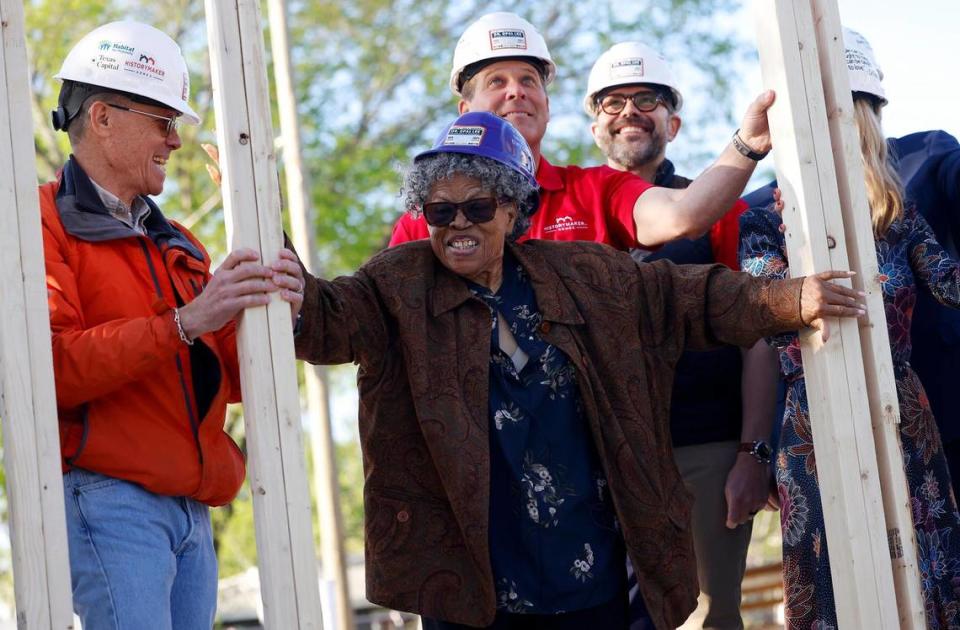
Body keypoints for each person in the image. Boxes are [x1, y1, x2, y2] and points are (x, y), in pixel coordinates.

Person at [289, 110, 864, 629]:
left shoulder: (583, 273)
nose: (457, 223)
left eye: (478, 207)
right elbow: (325, 318)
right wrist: (265, 220)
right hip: (466, 584)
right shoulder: (396, 283)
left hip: (587, 573)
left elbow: (690, 298)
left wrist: (791, 299)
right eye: (440, 210)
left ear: (513, 208)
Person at [43, 22, 302, 628]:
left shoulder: (176, 242)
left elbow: (228, 379)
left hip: (191, 509)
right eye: (163, 122)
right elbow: (50, 372)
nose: (176, 142)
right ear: (103, 117)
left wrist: (273, 314)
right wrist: (184, 322)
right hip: (111, 500)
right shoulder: (37, 224)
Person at [739, 27, 960, 629]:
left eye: (852, 114)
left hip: (903, 409)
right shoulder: (762, 220)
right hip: (814, 420)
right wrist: (801, 295)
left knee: (927, 567)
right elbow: (758, 305)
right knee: (832, 578)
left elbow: (949, 284)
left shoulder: (898, 212)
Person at [584, 42, 767, 630]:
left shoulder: (718, 209)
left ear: (674, 122)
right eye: (613, 102)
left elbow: (758, 337)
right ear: (594, 126)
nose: (629, 111)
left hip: (704, 447)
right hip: (596, 458)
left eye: (647, 100)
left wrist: (751, 454)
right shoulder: (562, 211)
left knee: (708, 616)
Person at [389, 12, 757, 251]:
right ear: (465, 112)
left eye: (528, 80)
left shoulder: (598, 191)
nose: (516, 91)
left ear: (547, 107)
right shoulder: (425, 219)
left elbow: (682, 215)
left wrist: (748, 145)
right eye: (496, 81)